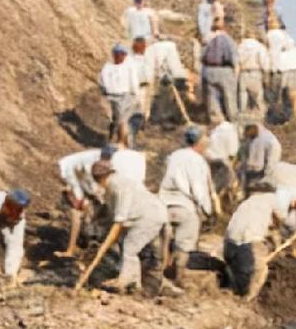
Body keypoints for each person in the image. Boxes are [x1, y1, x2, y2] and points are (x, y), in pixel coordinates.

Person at [76, 159, 172, 297]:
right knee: (135, 248)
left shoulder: (119, 185)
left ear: (100, 177)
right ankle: (145, 285)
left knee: (129, 249)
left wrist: (105, 246)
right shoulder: (112, 187)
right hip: (146, 216)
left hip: (149, 216)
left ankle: (129, 284)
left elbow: (119, 222)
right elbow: (114, 219)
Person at [57, 141, 145, 257]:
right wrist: (83, 197)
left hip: (89, 180)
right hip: (73, 175)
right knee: (77, 211)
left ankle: (98, 238)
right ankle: (72, 248)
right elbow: (86, 181)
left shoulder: (119, 165)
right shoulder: (88, 164)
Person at [224, 184, 296, 300]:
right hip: (246, 242)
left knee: (240, 263)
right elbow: (284, 225)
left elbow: (273, 226)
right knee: (261, 270)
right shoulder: (279, 206)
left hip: (228, 241)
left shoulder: (258, 200)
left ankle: (232, 276)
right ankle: (247, 299)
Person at [159, 126, 217, 286]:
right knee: (183, 246)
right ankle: (178, 279)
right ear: (199, 143)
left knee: (164, 242)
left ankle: (159, 276)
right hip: (185, 206)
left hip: (164, 204)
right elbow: (198, 189)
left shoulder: (174, 156)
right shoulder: (198, 161)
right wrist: (207, 210)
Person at [100, 44, 144, 146]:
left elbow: (133, 81)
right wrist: (106, 90)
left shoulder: (129, 66)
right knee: (117, 119)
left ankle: (123, 141)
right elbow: (103, 81)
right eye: (116, 54)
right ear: (113, 55)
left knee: (123, 120)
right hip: (112, 97)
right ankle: (117, 138)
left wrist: (136, 94)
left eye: (121, 54)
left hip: (126, 96)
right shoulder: (107, 67)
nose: (119, 56)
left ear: (124, 55)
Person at [200, 24, 239, 124]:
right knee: (229, 96)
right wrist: (236, 73)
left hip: (209, 70)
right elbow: (234, 57)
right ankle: (233, 120)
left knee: (212, 97)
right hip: (224, 70)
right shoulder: (227, 39)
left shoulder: (207, 40)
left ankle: (216, 121)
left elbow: (201, 57)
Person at [236, 27, 271, 116]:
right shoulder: (259, 46)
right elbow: (264, 61)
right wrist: (266, 74)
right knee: (258, 94)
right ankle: (260, 114)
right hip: (255, 72)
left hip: (243, 72)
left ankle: (242, 112)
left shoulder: (240, 46)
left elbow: (237, 60)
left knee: (243, 94)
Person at [242, 119, 283, 194]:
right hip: (273, 149)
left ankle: (267, 185)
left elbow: (259, 163)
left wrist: (250, 168)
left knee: (269, 169)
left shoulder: (262, 139)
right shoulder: (256, 135)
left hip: (272, 151)